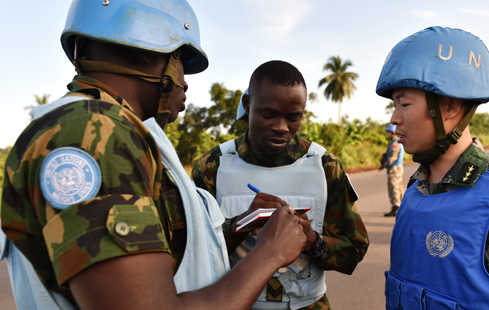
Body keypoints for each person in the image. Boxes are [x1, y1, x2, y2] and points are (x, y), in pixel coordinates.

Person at [0, 1, 308, 309]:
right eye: (182, 61)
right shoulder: (95, 134)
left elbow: (165, 244)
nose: (185, 81)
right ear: (147, 50)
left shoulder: (113, 130)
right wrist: (271, 253)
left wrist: (240, 225)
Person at [192, 60, 369, 310]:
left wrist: (312, 241)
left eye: (293, 117)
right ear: (247, 105)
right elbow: (191, 251)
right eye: (269, 114)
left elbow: (354, 252)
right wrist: (242, 224)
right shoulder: (214, 166)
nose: (282, 128)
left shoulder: (325, 166)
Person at [376, 26, 489, 309]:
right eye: (393, 104)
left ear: (449, 108)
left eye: (404, 104)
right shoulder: (415, 191)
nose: (394, 118)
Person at [378, 124, 405, 217]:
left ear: (393, 133)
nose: (387, 134)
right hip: (396, 168)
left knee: (394, 188)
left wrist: (383, 165)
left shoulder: (395, 144)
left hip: (394, 169)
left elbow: (392, 158)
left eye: (389, 132)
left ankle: (396, 207)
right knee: (398, 187)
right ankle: (401, 206)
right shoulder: (394, 142)